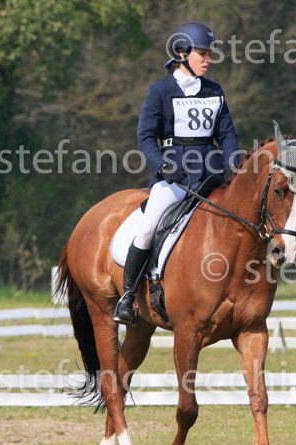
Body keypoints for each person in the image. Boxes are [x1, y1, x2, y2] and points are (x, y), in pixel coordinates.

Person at [114, 21, 241, 325]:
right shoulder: (160, 91)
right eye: (202, 54)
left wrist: (233, 166)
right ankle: (127, 296)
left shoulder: (214, 90)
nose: (208, 60)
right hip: (176, 175)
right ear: (182, 54)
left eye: (209, 54)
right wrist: (162, 165)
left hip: (212, 174)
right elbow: (146, 137)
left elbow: (227, 134)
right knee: (148, 227)